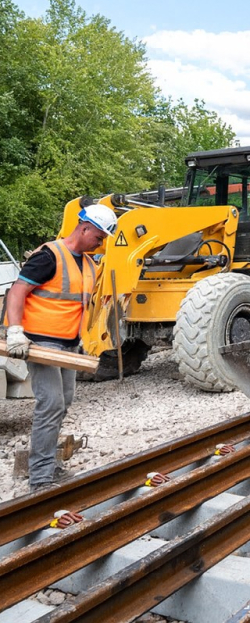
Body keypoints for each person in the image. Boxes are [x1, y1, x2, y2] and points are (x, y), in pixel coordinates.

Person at [4, 204, 117, 491]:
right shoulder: (50, 256)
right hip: (41, 343)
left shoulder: (90, 264)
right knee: (51, 403)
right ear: (84, 227)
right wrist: (15, 332)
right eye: (99, 237)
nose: (100, 243)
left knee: (63, 403)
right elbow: (17, 291)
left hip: (69, 346)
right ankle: (40, 476)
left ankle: (49, 463)